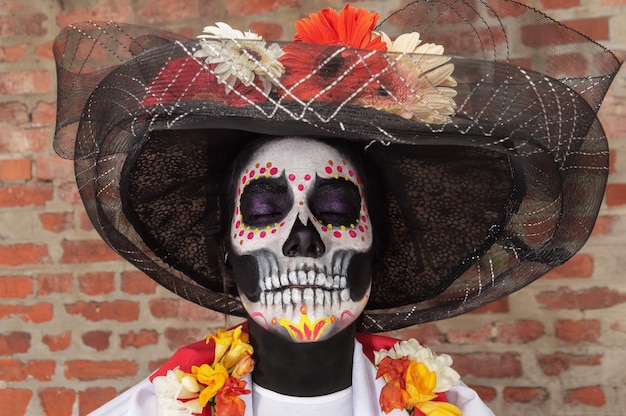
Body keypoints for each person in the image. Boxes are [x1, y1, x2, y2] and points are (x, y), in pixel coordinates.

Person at [52, 1, 621, 415]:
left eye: (334, 206)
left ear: (378, 242)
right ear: (227, 247)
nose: (304, 239)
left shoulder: (451, 408)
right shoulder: (154, 409)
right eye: (265, 209)